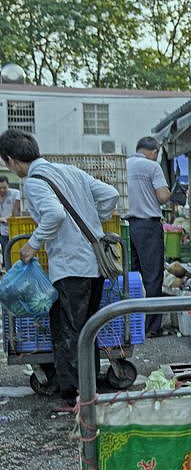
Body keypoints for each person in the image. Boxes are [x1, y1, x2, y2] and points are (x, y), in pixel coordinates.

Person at [0, 129, 119, 409]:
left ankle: (75, 397)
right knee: (87, 329)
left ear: (12, 160)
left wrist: (32, 244)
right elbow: (111, 194)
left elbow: (54, 214)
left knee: (69, 331)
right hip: (94, 264)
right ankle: (89, 389)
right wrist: (96, 221)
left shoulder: (34, 182)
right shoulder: (69, 170)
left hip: (70, 267)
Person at [126, 136, 171, 337]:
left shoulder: (123, 165)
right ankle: (152, 327)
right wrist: (168, 192)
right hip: (148, 226)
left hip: (126, 227)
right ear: (154, 152)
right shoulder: (152, 166)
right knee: (152, 277)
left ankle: (133, 326)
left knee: (132, 277)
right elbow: (162, 196)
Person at [0, 175, 22, 259]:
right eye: (0, 188)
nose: (2, 190)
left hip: (15, 228)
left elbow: (15, 212)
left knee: (16, 252)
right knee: (6, 253)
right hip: (3, 231)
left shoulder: (15, 193)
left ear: (8, 185)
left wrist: (5, 218)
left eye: (4, 188)